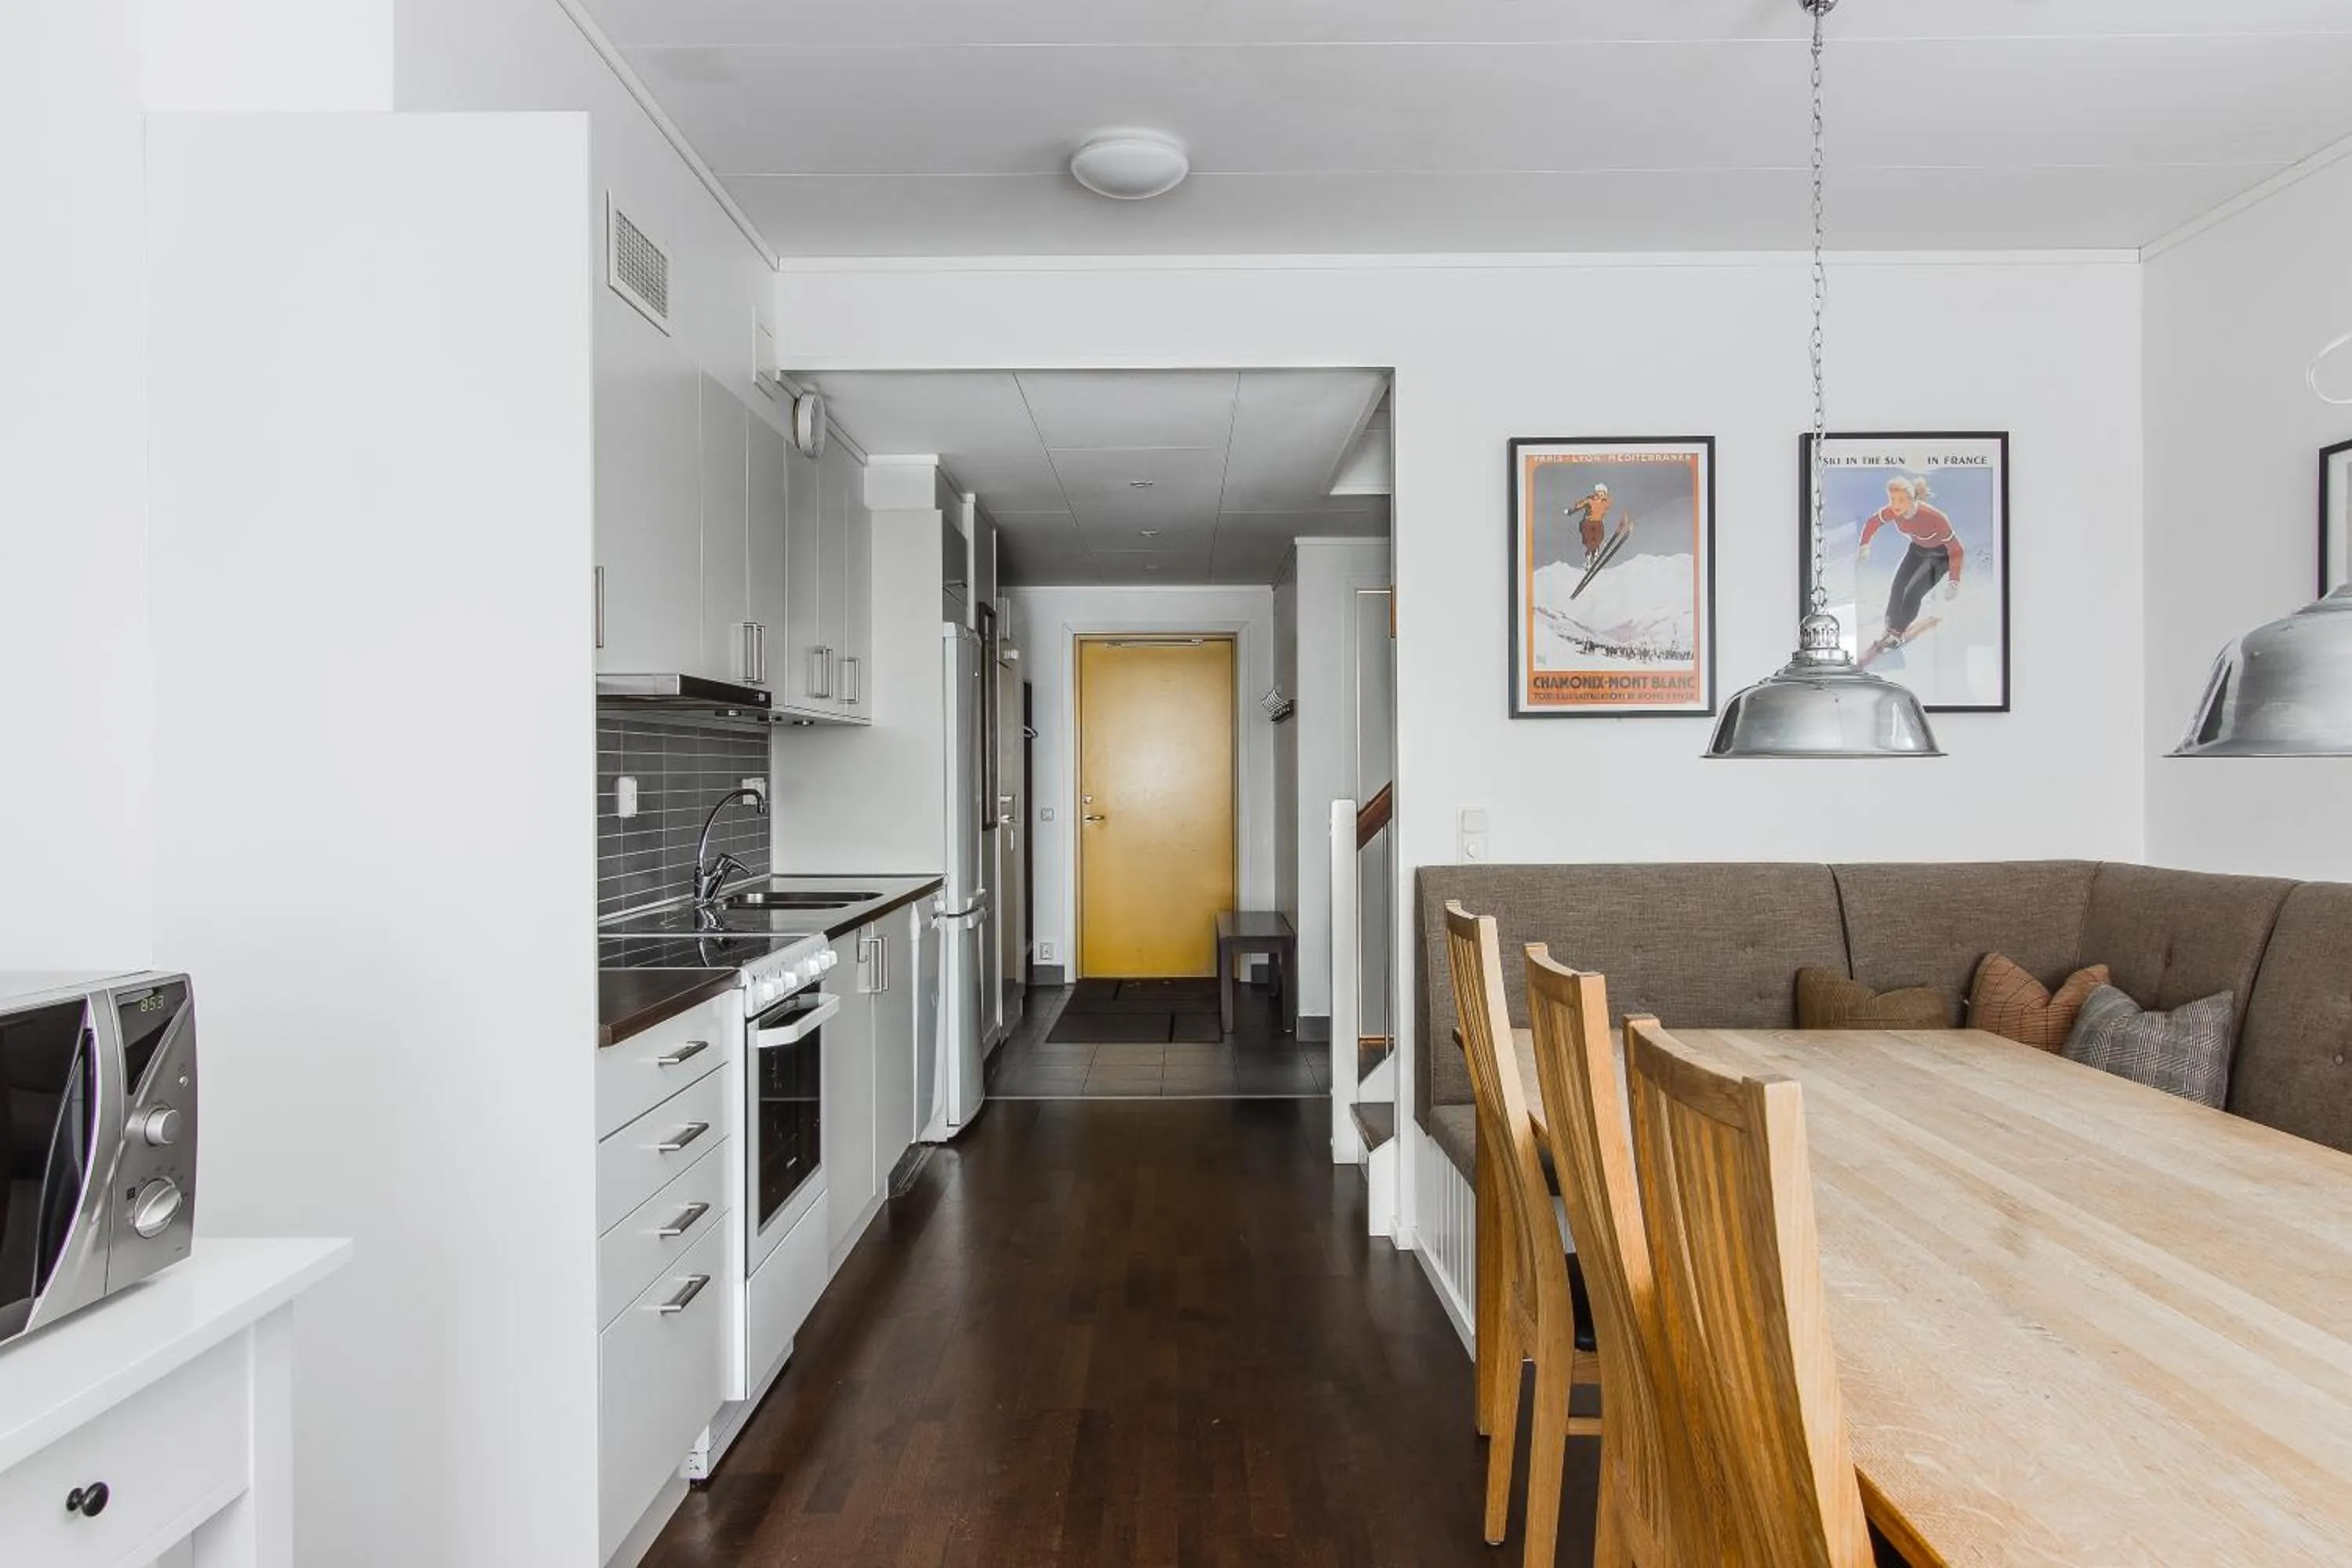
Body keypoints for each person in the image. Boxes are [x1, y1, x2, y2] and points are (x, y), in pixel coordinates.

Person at [1857, 474, 1962, 651]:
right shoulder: (1893, 511)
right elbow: (1872, 523)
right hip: (1917, 550)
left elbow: (1956, 548)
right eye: (1892, 499)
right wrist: (1865, 546)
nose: (1895, 505)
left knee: (1913, 592)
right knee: (1898, 587)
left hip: (1941, 556)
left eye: (1900, 500)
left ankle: (1897, 633)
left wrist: (1954, 581)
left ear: (1912, 499)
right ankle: (1890, 628)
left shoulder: (1935, 518)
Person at [1563, 483, 1613, 566]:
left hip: (1598, 523)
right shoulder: (1590, 500)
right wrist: (1570, 511)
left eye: (1603, 493)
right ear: (1595, 493)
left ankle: (1595, 553)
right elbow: (1579, 505)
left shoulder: (1606, 502)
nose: (1600, 495)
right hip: (1587, 523)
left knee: (1599, 537)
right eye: (1599, 493)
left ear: (1605, 494)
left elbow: (1608, 504)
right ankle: (1590, 555)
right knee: (1589, 539)